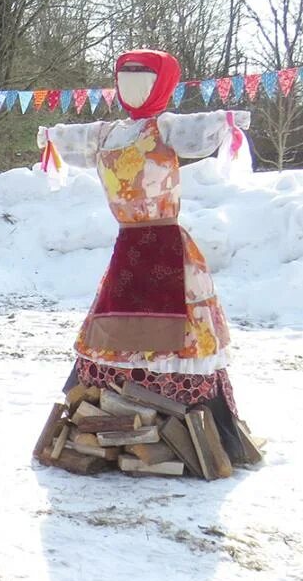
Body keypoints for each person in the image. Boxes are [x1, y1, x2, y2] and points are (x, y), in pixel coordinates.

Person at [36, 49, 256, 464]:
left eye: (143, 78)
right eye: (123, 76)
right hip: (128, 247)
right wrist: (51, 135)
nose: (130, 85)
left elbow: (205, 129)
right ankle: (110, 423)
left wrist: (228, 122)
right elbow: (67, 138)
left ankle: (186, 436)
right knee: (114, 328)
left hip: (168, 247)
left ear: (165, 84)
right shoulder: (105, 134)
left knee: (179, 334)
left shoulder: (167, 128)